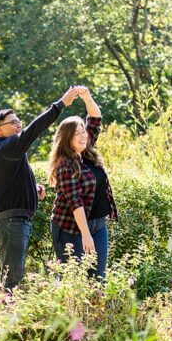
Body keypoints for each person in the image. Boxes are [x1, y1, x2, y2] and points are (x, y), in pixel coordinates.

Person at [0, 85, 84, 289]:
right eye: (12, 123)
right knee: (12, 278)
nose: (18, 125)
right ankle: (4, 318)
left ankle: (3, 314)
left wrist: (33, 186)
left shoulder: (7, 152)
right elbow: (33, 131)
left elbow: (8, 180)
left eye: (18, 121)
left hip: (14, 219)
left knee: (11, 275)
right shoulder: (6, 147)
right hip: (10, 220)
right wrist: (61, 104)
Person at [47, 87, 118, 279]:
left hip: (98, 225)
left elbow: (95, 119)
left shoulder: (86, 151)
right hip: (71, 228)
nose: (83, 136)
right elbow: (75, 201)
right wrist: (85, 234)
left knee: (98, 279)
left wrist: (86, 97)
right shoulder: (65, 165)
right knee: (73, 279)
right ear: (66, 139)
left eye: (83, 132)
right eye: (76, 134)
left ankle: (96, 310)